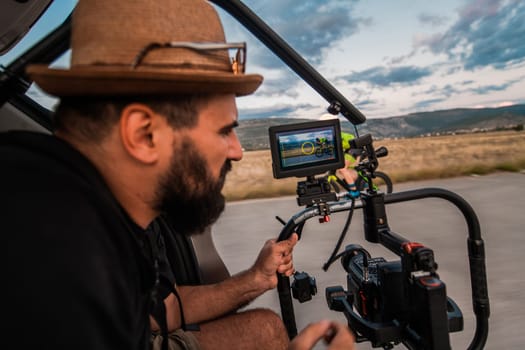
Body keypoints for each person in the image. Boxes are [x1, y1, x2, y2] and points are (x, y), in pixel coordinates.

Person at [2, 0, 356, 349]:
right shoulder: (50, 253)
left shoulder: (121, 213)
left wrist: (255, 279)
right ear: (143, 134)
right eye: (223, 130)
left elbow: (165, 311)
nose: (237, 150)